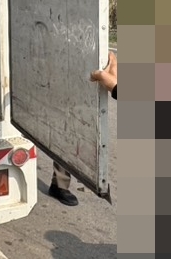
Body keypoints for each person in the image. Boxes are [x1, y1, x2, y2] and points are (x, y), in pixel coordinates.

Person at [49, 52, 119, 205]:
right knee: (65, 130)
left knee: (82, 133)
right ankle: (60, 184)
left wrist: (115, 85)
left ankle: (72, 181)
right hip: (63, 76)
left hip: (87, 86)